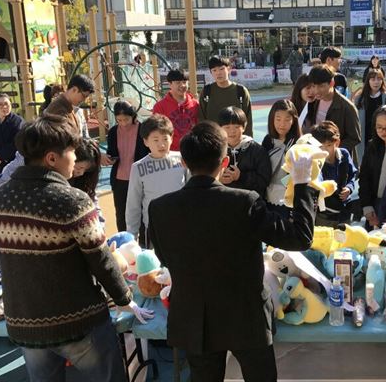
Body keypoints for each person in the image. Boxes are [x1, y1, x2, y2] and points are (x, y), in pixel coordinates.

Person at [0, 115, 152, 381]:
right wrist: (125, 300)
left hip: (24, 321)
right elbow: (101, 260)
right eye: (72, 152)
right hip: (76, 320)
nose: (75, 160)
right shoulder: (71, 200)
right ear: (52, 158)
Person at [148, 121, 317, 381]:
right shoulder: (244, 201)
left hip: (194, 315)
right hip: (245, 314)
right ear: (224, 162)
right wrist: (303, 184)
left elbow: (164, 257)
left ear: (183, 162)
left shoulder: (160, 208)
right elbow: (300, 237)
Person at [126, 114, 187, 247]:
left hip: (181, 227)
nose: (161, 144)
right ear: (146, 141)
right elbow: (133, 204)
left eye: (165, 138)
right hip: (154, 230)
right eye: (155, 140)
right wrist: (132, 235)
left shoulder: (182, 160)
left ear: (172, 138)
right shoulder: (138, 167)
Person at [103, 101, 149, 232]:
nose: (123, 123)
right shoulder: (113, 132)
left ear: (133, 116)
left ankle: (142, 242)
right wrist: (109, 159)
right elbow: (112, 152)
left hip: (139, 177)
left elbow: (147, 152)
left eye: (126, 119)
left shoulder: (142, 129)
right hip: (119, 178)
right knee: (121, 213)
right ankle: (123, 241)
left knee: (140, 211)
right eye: (119, 120)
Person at [307, 64, 361, 161]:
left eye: (321, 86)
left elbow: (354, 138)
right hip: (318, 158)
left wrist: (332, 150)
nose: (316, 91)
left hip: (339, 162)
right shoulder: (313, 101)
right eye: (314, 86)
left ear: (331, 83)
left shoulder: (347, 107)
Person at [310, 121, 358, 227]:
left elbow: (353, 174)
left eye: (329, 145)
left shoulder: (344, 154)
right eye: (321, 147)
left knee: (345, 239)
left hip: (344, 210)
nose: (325, 149)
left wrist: (349, 188)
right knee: (326, 240)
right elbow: (318, 182)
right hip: (325, 213)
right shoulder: (316, 161)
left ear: (337, 143)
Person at [218, 106, 272, 199]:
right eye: (227, 127)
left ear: (244, 126)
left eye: (237, 126)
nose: (232, 131)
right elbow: (205, 176)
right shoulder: (215, 149)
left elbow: (264, 180)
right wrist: (217, 178)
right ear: (220, 128)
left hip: (250, 204)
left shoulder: (257, 150)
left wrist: (241, 176)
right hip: (223, 202)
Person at [262, 100, 301, 217]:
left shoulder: (298, 143)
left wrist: (285, 184)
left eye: (287, 119)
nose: (282, 124)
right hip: (268, 194)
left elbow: (300, 172)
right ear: (272, 119)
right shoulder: (268, 141)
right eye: (278, 119)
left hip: (290, 195)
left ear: (293, 121)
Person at [199, 55, 253, 136]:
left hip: (236, 139)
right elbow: (201, 118)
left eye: (221, 69)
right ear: (211, 72)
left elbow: (248, 119)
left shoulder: (241, 91)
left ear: (229, 69)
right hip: (213, 139)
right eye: (214, 70)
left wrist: (248, 142)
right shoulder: (206, 91)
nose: (218, 73)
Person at [152, 68, 199, 150]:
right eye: (178, 83)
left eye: (184, 82)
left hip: (193, 151)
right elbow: (156, 131)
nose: (182, 85)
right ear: (170, 84)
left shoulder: (195, 104)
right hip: (170, 152)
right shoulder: (160, 107)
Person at [45, 74, 95, 138]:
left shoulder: (68, 105)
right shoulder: (58, 108)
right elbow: (64, 140)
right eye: (83, 96)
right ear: (74, 89)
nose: (84, 100)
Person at [70, 139, 106, 227]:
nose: (81, 173)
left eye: (86, 170)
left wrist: (100, 224)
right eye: (79, 167)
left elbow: (93, 202)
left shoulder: (85, 180)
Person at [355, 68, 386, 146]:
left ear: (382, 81)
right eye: (373, 79)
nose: (376, 82)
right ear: (368, 81)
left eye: (379, 79)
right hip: (365, 134)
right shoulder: (360, 97)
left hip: (382, 134)